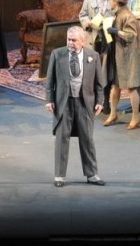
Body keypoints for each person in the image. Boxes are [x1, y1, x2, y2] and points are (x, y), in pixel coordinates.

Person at [45, 25, 106, 188]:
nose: (70, 43)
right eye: (68, 39)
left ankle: (92, 174)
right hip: (63, 103)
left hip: (85, 103)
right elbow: (50, 80)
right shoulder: (57, 54)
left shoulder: (93, 56)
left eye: (73, 40)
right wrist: (49, 100)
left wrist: (99, 101)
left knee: (87, 138)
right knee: (61, 139)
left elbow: (99, 83)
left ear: (82, 41)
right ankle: (59, 176)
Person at [104, 0, 140, 129]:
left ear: (115, 1)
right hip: (119, 54)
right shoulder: (118, 14)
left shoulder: (127, 16)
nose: (110, 2)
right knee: (115, 85)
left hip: (129, 55)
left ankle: (136, 117)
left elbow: (131, 36)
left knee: (131, 87)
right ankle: (113, 114)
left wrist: (116, 31)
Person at [77, 0, 115, 105]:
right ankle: (92, 100)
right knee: (91, 69)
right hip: (92, 38)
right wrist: (86, 22)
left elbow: (119, 15)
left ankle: (106, 101)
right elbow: (82, 14)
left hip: (107, 39)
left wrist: (109, 23)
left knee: (106, 70)